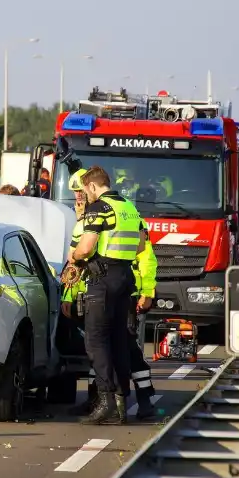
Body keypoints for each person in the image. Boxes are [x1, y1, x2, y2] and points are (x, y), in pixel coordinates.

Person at [61, 169, 157, 422]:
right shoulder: (129, 208)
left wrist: (76, 257)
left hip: (102, 279)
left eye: (84, 190)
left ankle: (105, 401)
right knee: (118, 343)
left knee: (96, 342)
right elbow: (140, 247)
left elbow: (85, 247)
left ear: (92, 186)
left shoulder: (99, 208)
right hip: (124, 278)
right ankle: (121, 403)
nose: (82, 196)